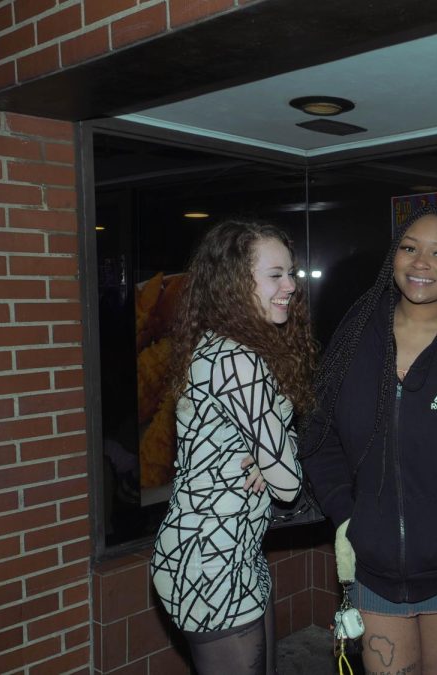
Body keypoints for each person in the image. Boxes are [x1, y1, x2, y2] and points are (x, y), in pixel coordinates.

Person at [301, 204, 437, 675]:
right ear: (394, 256)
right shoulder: (354, 340)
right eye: (409, 248)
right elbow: (318, 437)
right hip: (371, 561)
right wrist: (348, 515)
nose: (421, 263)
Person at [150, 219, 317, 675]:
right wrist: (276, 458)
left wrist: (274, 455)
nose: (290, 286)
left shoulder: (235, 349)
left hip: (238, 551)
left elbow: (276, 457)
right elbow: (287, 486)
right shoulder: (235, 360)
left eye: (291, 273)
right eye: (275, 275)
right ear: (234, 283)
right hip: (208, 559)